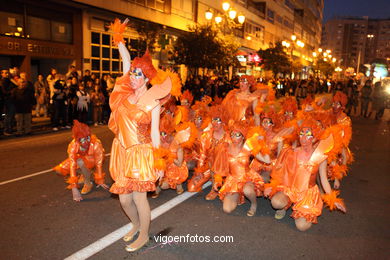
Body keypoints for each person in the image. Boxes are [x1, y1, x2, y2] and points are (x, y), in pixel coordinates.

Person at [108, 18, 180, 252]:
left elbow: (156, 136)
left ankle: (145, 235)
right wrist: (119, 38)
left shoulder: (153, 103)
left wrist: (160, 162)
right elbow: (126, 61)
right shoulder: (124, 94)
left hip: (142, 152)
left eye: (139, 74)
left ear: (148, 77)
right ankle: (136, 225)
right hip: (121, 151)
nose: (133, 76)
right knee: (124, 199)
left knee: (139, 198)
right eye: (133, 73)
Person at [265, 117, 346, 231]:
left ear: (314, 138)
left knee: (302, 227)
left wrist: (334, 199)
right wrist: (272, 186)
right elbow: (282, 172)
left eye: (307, 134)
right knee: (276, 202)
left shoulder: (319, 156)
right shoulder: (293, 152)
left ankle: (300, 207)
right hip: (291, 189)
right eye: (301, 134)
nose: (303, 138)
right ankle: (285, 205)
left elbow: (323, 179)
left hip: (308, 194)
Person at [212, 120, 270, 216]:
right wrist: (217, 180)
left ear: (243, 136)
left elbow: (267, 161)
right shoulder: (226, 147)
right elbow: (220, 167)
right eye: (232, 135)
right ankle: (238, 194)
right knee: (227, 209)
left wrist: (262, 144)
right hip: (233, 181)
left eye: (237, 135)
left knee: (247, 190)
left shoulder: (248, 146)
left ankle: (254, 204)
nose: (234, 137)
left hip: (247, 178)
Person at [53, 120, 108, 201]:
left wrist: (99, 179)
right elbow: (72, 164)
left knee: (80, 162)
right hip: (81, 158)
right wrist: (74, 187)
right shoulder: (73, 145)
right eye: (82, 140)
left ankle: (88, 182)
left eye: (88, 138)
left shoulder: (96, 144)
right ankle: (84, 174)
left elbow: (99, 163)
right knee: (60, 170)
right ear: (77, 140)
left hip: (93, 159)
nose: (86, 142)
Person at [1, 69, 17, 135]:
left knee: (10, 115)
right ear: (2, 74)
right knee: (8, 116)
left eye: (7, 73)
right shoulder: (3, 81)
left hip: (11, 100)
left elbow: (16, 85)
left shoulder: (8, 80)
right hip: (7, 100)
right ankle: (7, 130)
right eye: (5, 73)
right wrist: (11, 91)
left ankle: (9, 129)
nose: (7, 74)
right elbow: (4, 92)